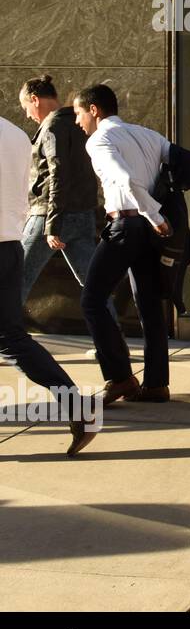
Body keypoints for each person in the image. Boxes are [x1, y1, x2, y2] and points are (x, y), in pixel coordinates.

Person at [0, 114, 98, 456]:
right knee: (11, 338)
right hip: (9, 243)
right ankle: (79, 410)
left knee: (10, 338)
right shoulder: (14, 134)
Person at [74, 84, 173, 404]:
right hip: (148, 228)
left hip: (128, 223)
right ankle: (156, 385)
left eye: (78, 113)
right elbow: (177, 161)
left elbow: (125, 179)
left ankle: (120, 378)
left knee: (92, 300)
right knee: (148, 304)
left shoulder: (99, 139)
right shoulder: (147, 134)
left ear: (94, 110)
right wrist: (158, 217)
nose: (77, 121)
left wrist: (154, 214)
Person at [16, 75, 105, 308]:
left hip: (50, 215)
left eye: (26, 108)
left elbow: (58, 174)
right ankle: (112, 343)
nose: (27, 115)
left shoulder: (52, 126)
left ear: (35, 99)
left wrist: (52, 224)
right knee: (94, 286)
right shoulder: (78, 125)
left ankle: (7, 336)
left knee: (15, 280)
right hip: (83, 215)